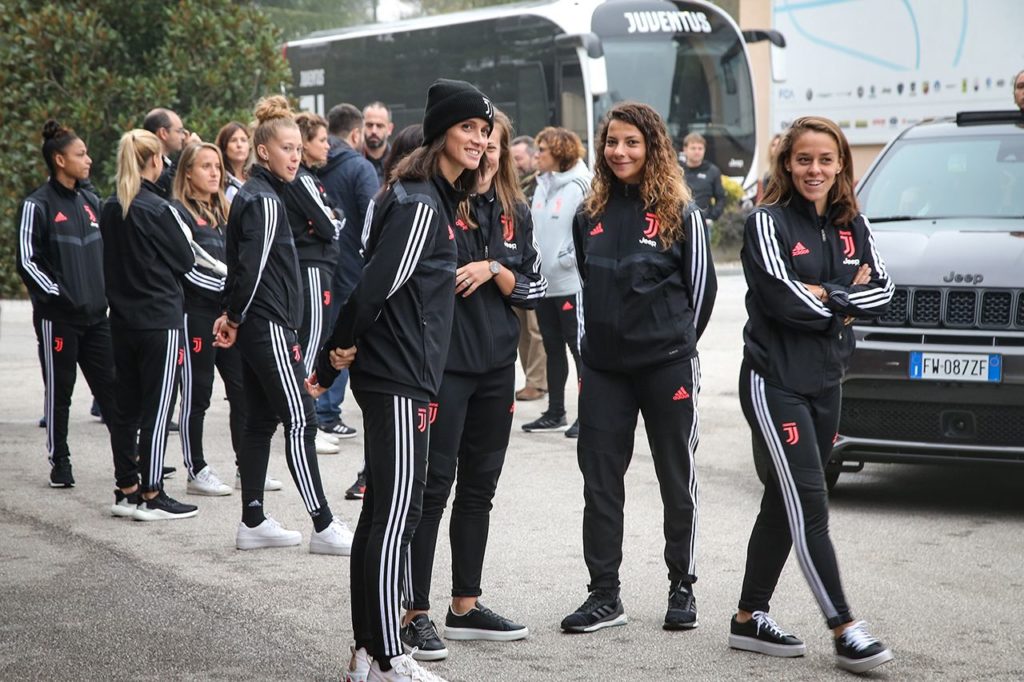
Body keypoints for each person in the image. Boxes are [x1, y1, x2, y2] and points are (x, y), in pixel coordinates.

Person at [307, 77, 493, 682]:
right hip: (398, 378)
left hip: (402, 374)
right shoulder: (418, 202)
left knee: (383, 516)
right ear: (441, 132)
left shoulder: (428, 197)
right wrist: (334, 349)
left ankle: (368, 653)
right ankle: (389, 654)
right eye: (468, 127)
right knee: (395, 515)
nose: (479, 139)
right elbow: (373, 287)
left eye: (484, 130)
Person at [730, 115, 894, 673]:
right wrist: (847, 299)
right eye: (804, 159)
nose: (815, 169)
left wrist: (829, 296)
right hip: (774, 382)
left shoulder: (855, 225)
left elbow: (887, 292)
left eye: (826, 159)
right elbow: (782, 300)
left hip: (827, 383)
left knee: (784, 499)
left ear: (841, 164)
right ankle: (845, 627)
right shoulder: (766, 223)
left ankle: (749, 618)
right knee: (809, 503)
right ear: (788, 164)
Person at [561, 102, 717, 634]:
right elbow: (585, 288)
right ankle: (604, 594)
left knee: (677, 477)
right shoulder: (590, 213)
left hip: (665, 367)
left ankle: (682, 586)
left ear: (652, 147)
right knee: (600, 482)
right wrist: (591, 355)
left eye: (631, 142)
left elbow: (702, 293)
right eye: (612, 142)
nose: (620, 152)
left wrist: (672, 346)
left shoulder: (681, 212)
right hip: (604, 371)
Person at [400, 109, 545, 662]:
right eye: (478, 140)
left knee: (479, 489)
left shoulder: (515, 211)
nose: (485, 151)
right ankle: (414, 612)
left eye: (494, 144)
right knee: (433, 489)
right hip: (443, 370)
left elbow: (532, 289)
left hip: (495, 370)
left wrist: (494, 270)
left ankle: (465, 604)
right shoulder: (435, 202)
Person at [212, 95, 352, 555]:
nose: (295, 156)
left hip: (259, 323)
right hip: (268, 324)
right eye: (287, 148)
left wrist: (234, 317)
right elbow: (249, 270)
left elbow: (242, 267)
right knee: (300, 420)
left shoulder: (256, 194)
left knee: (259, 421)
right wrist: (234, 316)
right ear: (264, 151)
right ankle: (324, 524)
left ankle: (253, 520)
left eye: (298, 148)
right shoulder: (266, 200)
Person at [17, 119, 135, 491]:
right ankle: (60, 461)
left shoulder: (90, 201)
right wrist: (59, 296)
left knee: (114, 391)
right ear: (59, 159)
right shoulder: (36, 205)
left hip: (97, 319)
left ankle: (131, 463)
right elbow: (27, 261)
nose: (88, 160)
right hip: (59, 320)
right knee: (60, 392)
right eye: (80, 154)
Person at [100, 128, 199, 520]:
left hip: (121, 321)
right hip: (159, 320)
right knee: (157, 409)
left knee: (125, 408)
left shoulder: (110, 206)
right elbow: (186, 259)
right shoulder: (158, 209)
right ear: (154, 161)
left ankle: (127, 487)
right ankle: (152, 491)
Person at [171, 142, 256, 496]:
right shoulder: (177, 212)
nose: (214, 173)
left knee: (241, 391)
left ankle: (247, 466)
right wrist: (231, 292)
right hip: (198, 315)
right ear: (187, 171)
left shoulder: (226, 210)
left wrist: (235, 301)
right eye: (205, 166)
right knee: (198, 394)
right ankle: (197, 470)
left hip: (228, 315)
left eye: (217, 167)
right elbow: (188, 268)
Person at [316, 103, 380, 447]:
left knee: (321, 334)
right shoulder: (360, 167)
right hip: (352, 267)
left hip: (321, 266)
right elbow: (373, 218)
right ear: (356, 134)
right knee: (344, 336)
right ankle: (327, 413)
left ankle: (316, 405)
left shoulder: (314, 163)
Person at [282, 111, 345, 456]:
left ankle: (307, 422)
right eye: (322, 140)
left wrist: (332, 218)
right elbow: (328, 223)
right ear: (305, 144)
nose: (328, 147)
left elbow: (336, 213)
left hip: (316, 266)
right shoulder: (303, 179)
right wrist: (330, 220)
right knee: (309, 347)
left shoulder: (312, 179)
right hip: (311, 268)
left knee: (309, 344)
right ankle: (307, 424)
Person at [523, 126, 591, 437]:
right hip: (545, 283)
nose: (536, 156)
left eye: (542, 151)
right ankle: (555, 413)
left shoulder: (581, 185)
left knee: (579, 349)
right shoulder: (541, 185)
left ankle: (587, 415)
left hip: (570, 284)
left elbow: (589, 232)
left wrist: (567, 258)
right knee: (552, 348)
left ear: (560, 154)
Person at [509, 134, 547, 403]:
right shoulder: (518, 185)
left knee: (535, 329)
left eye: (518, 158)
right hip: (517, 263)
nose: (514, 163)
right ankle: (531, 378)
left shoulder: (541, 185)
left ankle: (538, 381)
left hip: (537, 266)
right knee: (522, 327)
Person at [142, 108, 198, 199]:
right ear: (163, 133)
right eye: (179, 131)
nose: (184, 137)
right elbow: (163, 188)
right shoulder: (145, 160)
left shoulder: (167, 163)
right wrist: (186, 153)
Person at [681, 132, 725, 234]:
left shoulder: (713, 171)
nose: (697, 152)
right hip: (680, 224)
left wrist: (711, 218)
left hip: (703, 224)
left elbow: (721, 198)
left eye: (700, 148)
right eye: (693, 148)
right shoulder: (677, 170)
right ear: (685, 149)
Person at [216, 121, 251, 201]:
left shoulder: (253, 178)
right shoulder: (218, 179)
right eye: (233, 140)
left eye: (243, 140)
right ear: (224, 147)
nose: (239, 145)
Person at [363, 101, 394, 185]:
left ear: (389, 129)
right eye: (369, 125)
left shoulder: (397, 163)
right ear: (362, 126)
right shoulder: (353, 163)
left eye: (380, 126)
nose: (374, 131)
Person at [756, 133, 783, 205]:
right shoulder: (767, 175)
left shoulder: (788, 172)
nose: (776, 148)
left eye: (778, 145)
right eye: (773, 145)